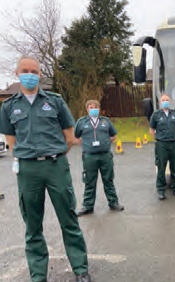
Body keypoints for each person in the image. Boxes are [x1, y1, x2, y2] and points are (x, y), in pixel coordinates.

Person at [0, 55, 90, 282]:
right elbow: (11, 141)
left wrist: (55, 156)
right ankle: (38, 275)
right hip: (28, 171)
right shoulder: (9, 106)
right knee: (32, 224)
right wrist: (28, 157)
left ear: (40, 74)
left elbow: (69, 137)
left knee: (68, 219)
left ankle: (81, 270)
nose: (30, 75)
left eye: (34, 71)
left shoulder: (55, 101)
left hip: (55, 166)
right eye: (25, 70)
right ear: (17, 74)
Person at [74, 100, 124, 216]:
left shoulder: (105, 121)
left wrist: (105, 143)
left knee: (108, 180)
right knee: (89, 182)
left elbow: (114, 136)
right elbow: (76, 137)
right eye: (91, 107)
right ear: (87, 109)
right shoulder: (81, 122)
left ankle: (113, 203)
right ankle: (87, 206)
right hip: (89, 157)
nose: (93, 109)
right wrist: (86, 144)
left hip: (105, 155)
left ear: (99, 108)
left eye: (95, 107)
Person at [149, 94, 175, 200]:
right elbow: (151, 130)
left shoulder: (174, 113)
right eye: (163, 100)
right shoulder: (156, 115)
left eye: (167, 100)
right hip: (162, 144)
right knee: (161, 167)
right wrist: (158, 138)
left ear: (170, 102)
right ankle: (161, 190)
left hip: (173, 143)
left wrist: (173, 135)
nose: (165, 102)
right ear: (160, 102)